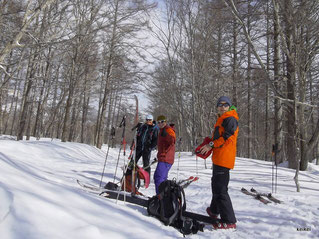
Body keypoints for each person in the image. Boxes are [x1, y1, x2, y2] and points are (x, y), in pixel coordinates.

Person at [199, 96, 239, 230]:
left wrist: (211, 144)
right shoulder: (222, 118)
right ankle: (214, 210)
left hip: (224, 158)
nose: (222, 107)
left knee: (221, 190)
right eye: (220, 105)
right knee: (216, 185)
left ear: (229, 106)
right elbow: (218, 137)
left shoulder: (230, 118)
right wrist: (208, 141)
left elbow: (226, 138)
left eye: (225, 105)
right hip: (219, 158)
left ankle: (229, 220)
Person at [154, 115, 176, 194]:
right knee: (160, 178)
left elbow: (172, 141)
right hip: (163, 158)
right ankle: (163, 198)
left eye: (162, 122)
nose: (160, 123)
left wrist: (167, 136)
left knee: (159, 178)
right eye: (158, 122)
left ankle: (160, 198)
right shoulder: (162, 130)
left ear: (165, 122)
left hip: (166, 159)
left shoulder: (168, 130)